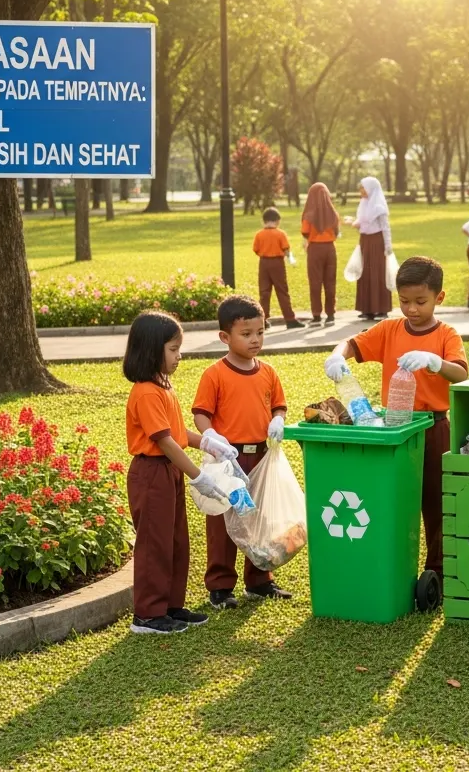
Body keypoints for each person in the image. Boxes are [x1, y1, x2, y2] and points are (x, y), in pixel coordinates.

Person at [324, 257, 468, 579]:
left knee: (437, 503)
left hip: (434, 428)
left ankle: (438, 573)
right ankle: (392, 570)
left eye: (420, 301)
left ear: (439, 297)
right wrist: (337, 355)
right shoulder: (390, 329)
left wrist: (434, 361)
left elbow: (460, 373)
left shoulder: (447, 334)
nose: (411, 309)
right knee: (392, 501)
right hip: (395, 429)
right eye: (404, 301)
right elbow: (352, 344)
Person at [122, 310, 241, 635]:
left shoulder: (163, 386)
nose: (179, 356)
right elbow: (164, 443)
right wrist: (197, 476)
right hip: (152, 473)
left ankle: (170, 606)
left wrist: (209, 443)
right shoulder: (146, 392)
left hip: (168, 471)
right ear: (152, 350)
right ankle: (148, 615)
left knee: (175, 541)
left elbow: (176, 433)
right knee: (155, 544)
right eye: (173, 349)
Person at [192, 296, 293, 610]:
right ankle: (221, 587)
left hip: (260, 457)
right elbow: (201, 413)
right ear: (225, 337)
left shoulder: (268, 372)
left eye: (260, 332)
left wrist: (278, 419)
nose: (255, 340)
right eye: (246, 334)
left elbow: (278, 405)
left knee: (259, 518)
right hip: (227, 460)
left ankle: (260, 580)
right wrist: (210, 435)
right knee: (223, 523)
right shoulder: (215, 374)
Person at [253, 207, 304, 330]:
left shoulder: (259, 234)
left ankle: (262, 320)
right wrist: (290, 259)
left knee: (264, 292)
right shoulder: (280, 234)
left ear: (263, 220)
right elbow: (286, 249)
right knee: (282, 291)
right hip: (277, 263)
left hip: (264, 262)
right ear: (277, 221)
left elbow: (256, 249)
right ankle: (290, 319)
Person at [301, 182, 341, 325]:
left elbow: (305, 232)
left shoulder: (308, 215)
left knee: (315, 282)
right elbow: (337, 232)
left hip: (315, 249)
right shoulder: (333, 214)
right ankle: (331, 315)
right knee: (330, 282)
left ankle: (317, 315)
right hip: (330, 249)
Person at [354, 176, 393, 321]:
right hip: (365, 240)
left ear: (370, 188)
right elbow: (363, 223)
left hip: (377, 242)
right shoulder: (363, 204)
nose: (361, 191)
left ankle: (382, 308)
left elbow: (385, 227)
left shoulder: (379, 207)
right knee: (365, 273)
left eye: (363, 188)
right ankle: (367, 308)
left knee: (378, 273)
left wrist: (388, 245)